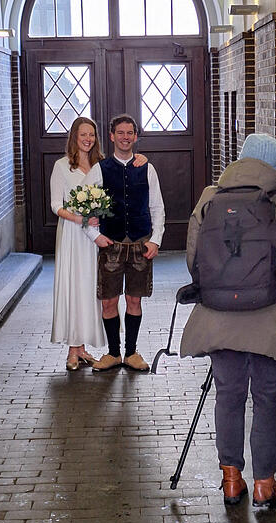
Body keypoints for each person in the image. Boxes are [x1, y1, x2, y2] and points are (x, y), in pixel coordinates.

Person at [179, 133, 276, 508]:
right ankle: (265, 484)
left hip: (219, 317)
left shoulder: (210, 197)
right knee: (267, 398)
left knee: (228, 395)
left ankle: (231, 480)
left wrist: (220, 288)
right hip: (269, 320)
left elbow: (192, 258)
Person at [49, 117, 146, 371]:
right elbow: (55, 205)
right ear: (74, 137)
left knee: (94, 290)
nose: (88, 139)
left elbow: (125, 171)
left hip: (96, 237)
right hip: (73, 234)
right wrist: (80, 219)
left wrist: (141, 159)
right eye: (83, 134)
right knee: (74, 287)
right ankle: (73, 348)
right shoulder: (62, 167)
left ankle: (83, 349)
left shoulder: (101, 165)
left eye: (92, 135)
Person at [82, 114, 165, 372]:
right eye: (121, 133)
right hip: (112, 244)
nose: (125, 137)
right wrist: (96, 236)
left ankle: (131, 352)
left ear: (136, 136)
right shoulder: (100, 170)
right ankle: (113, 353)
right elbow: (84, 208)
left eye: (130, 133)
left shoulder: (147, 168)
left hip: (140, 243)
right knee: (108, 301)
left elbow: (158, 207)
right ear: (112, 136)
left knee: (134, 300)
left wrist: (156, 240)